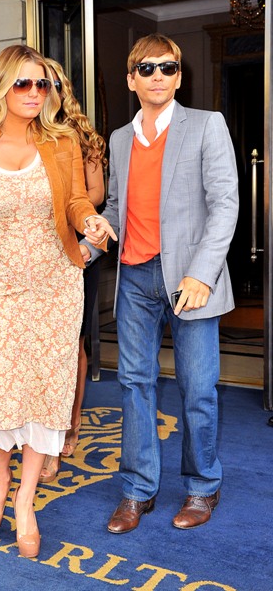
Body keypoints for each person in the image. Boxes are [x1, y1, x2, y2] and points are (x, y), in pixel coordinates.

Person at [0, 44, 115, 558]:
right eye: (24, 83)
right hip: (0, 288)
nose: (35, 92)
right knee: (3, 390)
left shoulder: (61, 141)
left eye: (42, 84)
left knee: (48, 391)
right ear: (2, 88)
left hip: (58, 284)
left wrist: (89, 222)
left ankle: (26, 498)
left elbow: (77, 200)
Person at [85, 33, 239, 533]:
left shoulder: (207, 125)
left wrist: (202, 273)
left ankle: (203, 485)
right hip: (135, 278)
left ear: (179, 76)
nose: (158, 76)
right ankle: (137, 490)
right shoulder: (120, 139)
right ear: (131, 79)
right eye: (147, 68)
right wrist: (92, 240)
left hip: (191, 279)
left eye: (168, 67)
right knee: (135, 386)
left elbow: (225, 205)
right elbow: (117, 208)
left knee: (197, 388)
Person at [39, 58, 107, 483]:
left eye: (51, 84)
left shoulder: (84, 137)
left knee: (70, 344)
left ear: (63, 91)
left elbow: (96, 194)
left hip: (74, 249)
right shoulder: (19, 135)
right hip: (31, 256)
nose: (42, 91)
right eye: (33, 83)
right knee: (37, 347)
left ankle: (68, 423)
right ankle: (37, 429)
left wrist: (64, 206)